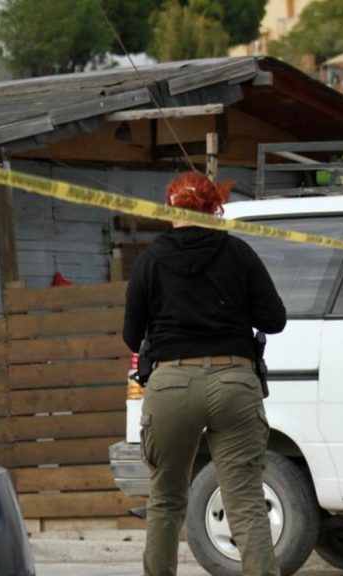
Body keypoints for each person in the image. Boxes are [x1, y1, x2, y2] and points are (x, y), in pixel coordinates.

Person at [123, 172, 287, 576]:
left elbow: (131, 335)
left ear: (169, 209)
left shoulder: (149, 261)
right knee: (245, 500)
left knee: (165, 500)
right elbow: (274, 319)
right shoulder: (239, 254)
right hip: (234, 381)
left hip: (172, 384)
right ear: (216, 208)